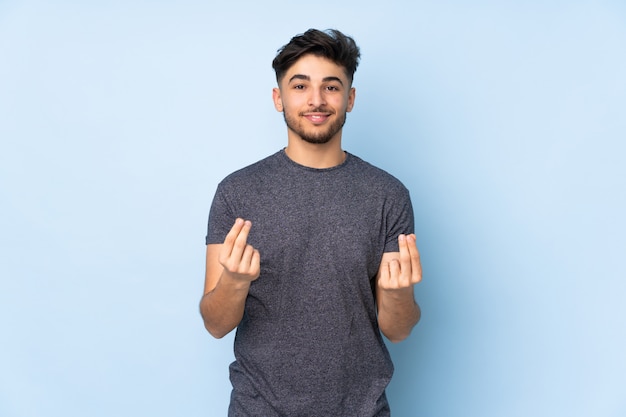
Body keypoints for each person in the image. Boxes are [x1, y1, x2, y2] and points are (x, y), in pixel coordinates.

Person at [200, 28, 422, 416]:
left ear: (350, 98)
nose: (316, 100)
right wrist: (234, 283)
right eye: (300, 86)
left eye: (331, 87)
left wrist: (400, 294)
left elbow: (399, 329)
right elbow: (216, 324)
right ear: (278, 98)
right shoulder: (237, 192)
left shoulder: (388, 195)